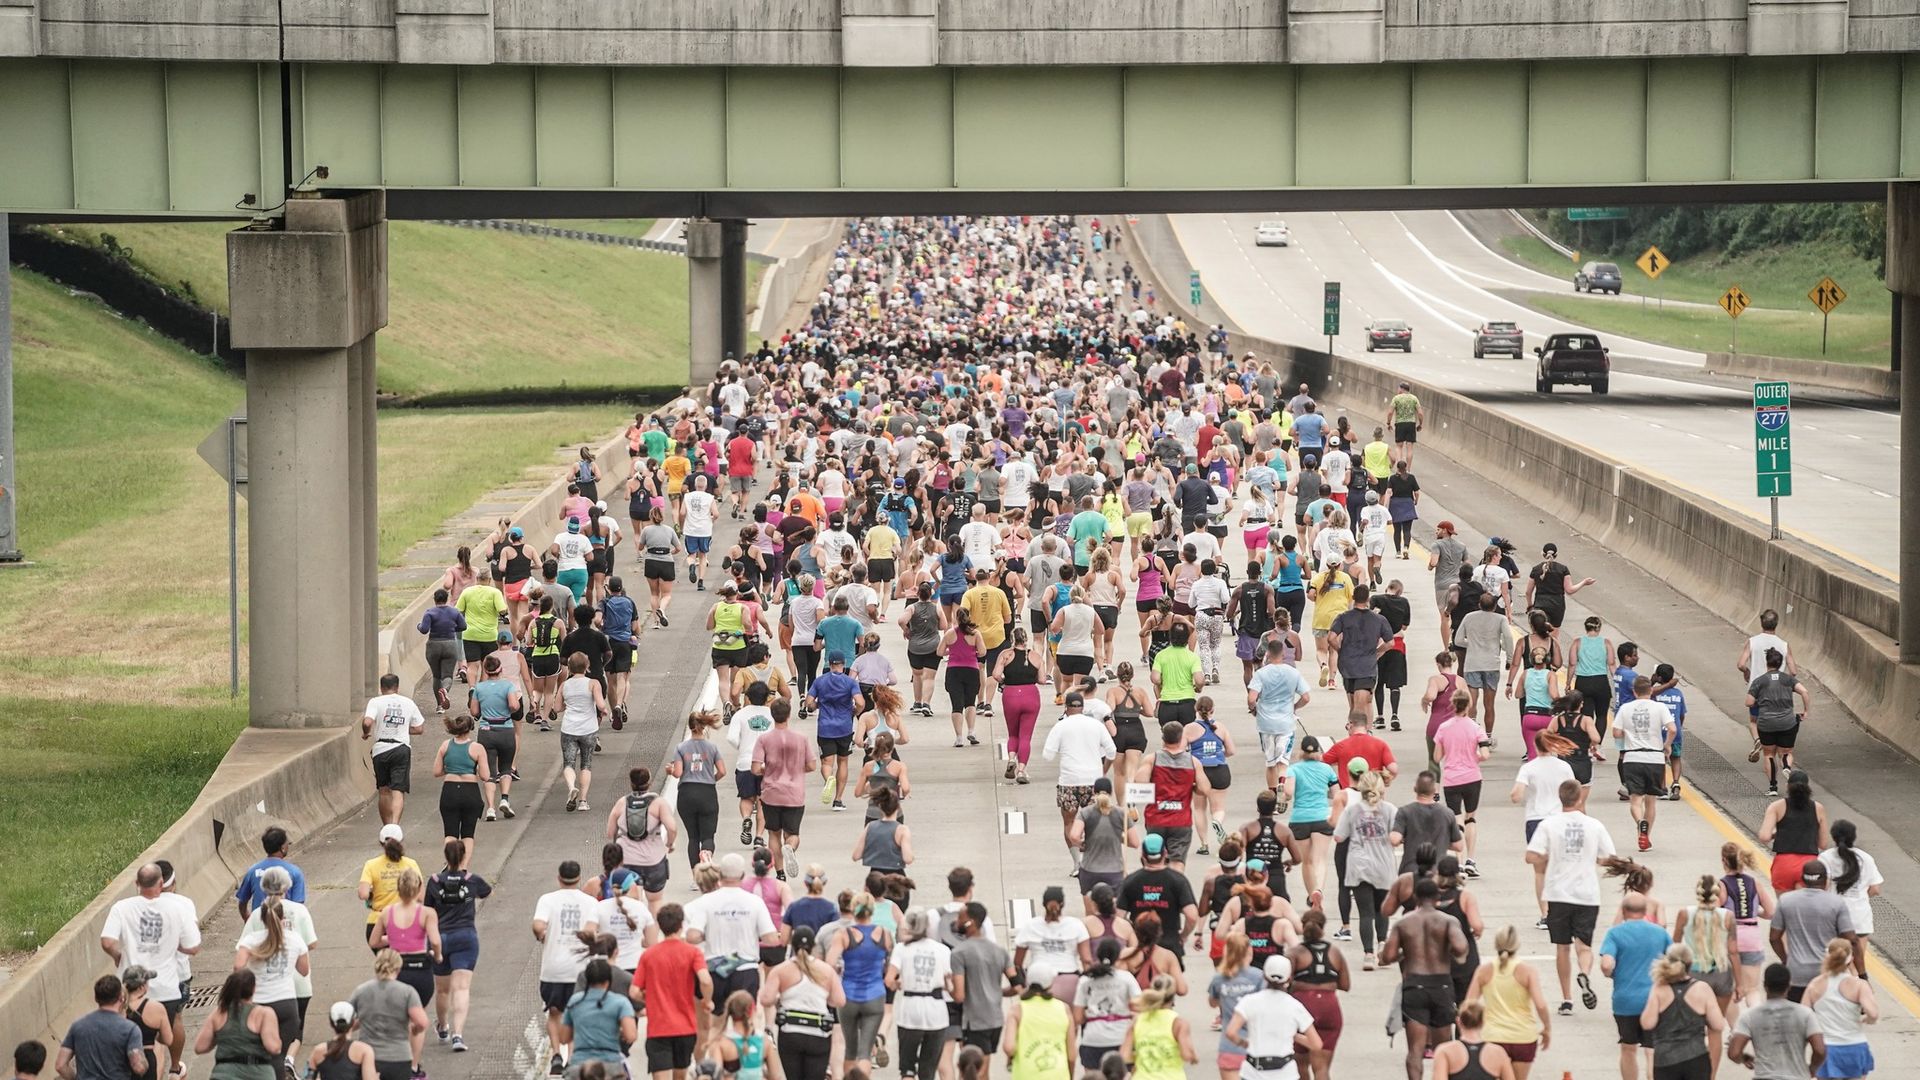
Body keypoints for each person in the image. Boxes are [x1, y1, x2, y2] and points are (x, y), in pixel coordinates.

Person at [1526, 779, 1615, 1016]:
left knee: (1562, 948)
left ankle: (1567, 1000)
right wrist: (1594, 859)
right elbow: (1608, 858)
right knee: (1584, 947)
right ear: (1580, 798)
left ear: (1560, 798)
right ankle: (1584, 974)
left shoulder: (1548, 825)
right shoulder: (1594, 825)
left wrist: (1549, 857)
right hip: (1586, 894)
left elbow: (1531, 856)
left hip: (1557, 893)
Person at [1381, 878, 1470, 1080]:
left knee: (1415, 1051)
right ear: (1437, 897)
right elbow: (1462, 948)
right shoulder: (1448, 921)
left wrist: (1406, 952)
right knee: (1443, 1048)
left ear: (1415, 898)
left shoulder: (1404, 923)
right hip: (1441, 985)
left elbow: (1387, 956)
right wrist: (1445, 949)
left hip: (1414, 986)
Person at [531, 862, 600, 1076]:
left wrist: (542, 936)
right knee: (577, 1013)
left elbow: (538, 925)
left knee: (554, 1013)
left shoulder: (547, 899)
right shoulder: (590, 902)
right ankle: (571, 1056)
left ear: (558, 878)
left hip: (553, 967)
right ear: (579, 878)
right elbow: (590, 931)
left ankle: (555, 1056)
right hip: (579, 969)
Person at [424, 840, 491, 1051]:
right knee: (461, 987)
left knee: (442, 990)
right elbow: (487, 892)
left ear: (445, 857)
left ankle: (442, 1026)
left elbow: (428, 909)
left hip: (441, 938)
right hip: (465, 936)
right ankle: (458, 1035)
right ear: (463, 857)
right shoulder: (472, 880)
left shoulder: (434, 881)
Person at [631, 904, 712, 1080]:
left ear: (660, 926)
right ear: (681, 925)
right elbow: (705, 980)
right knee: (680, 1074)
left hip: (658, 1027)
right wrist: (707, 1000)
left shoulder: (649, 955)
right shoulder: (692, 953)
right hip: (685, 1027)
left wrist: (649, 998)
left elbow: (634, 991)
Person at [1598, 892, 1672, 1080]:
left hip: (1625, 1001)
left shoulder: (1615, 933)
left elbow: (1606, 964)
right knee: (1652, 1050)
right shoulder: (1660, 933)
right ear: (1645, 910)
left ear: (1623, 911)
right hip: (1655, 999)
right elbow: (1674, 961)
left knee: (1628, 1048)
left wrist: (1612, 974)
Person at [756, 925, 845, 1080]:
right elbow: (839, 1000)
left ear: (792, 945)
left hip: (791, 1031)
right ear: (813, 946)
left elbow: (766, 999)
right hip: (818, 1032)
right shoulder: (826, 970)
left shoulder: (782, 970)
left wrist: (780, 998)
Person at [1465, 927, 1551, 1080]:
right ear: (1517, 945)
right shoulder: (1527, 971)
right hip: (1523, 1037)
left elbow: (1469, 1004)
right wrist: (1547, 1028)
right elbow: (1541, 1005)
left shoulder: (1484, 970)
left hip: (1492, 1036)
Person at [1331, 769, 1397, 964]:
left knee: (1365, 913)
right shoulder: (1390, 810)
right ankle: (1383, 943)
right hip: (1383, 865)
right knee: (1381, 910)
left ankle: (1368, 954)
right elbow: (1396, 837)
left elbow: (1338, 836)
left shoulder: (1352, 810)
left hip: (1359, 866)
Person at [1771, 861, 1860, 1003]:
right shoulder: (1836, 903)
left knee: (1800, 1019)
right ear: (1826, 880)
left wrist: (1786, 959)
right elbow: (1852, 940)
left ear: (1803, 879)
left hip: (1796, 974)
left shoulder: (1786, 900)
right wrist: (1862, 974)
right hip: (1827, 975)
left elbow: (1774, 938)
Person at [1224, 955, 1321, 1080]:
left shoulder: (1249, 1001)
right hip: (1285, 1072)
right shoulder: (1295, 1006)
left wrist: (1244, 1043)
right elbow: (1316, 1044)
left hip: (1253, 1071)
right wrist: (1294, 1036)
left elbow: (1231, 1032)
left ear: (1264, 975)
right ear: (1289, 978)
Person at [753, 699, 819, 881]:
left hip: (771, 793)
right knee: (793, 834)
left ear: (772, 716)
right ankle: (789, 847)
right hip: (794, 793)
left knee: (773, 833)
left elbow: (755, 768)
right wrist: (797, 768)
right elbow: (812, 765)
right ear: (789, 715)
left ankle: (780, 873)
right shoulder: (801, 739)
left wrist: (768, 769)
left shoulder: (764, 739)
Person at [886, 910, 957, 1080]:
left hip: (910, 1010)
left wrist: (899, 984)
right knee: (929, 1067)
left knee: (907, 1067)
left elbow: (889, 980)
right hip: (936, 1011)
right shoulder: (942, 950)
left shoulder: (902, 949)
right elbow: (950, 985)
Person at [1728, 962, 1826, 1080]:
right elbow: (1820, 1050)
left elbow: (1734, 1053)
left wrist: (1743, 1058)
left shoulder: (1750, 1015)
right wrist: (1812, 1069)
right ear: (1789, 986)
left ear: (1765, 986)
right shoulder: (1805, 1014)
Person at [1612, 675, 1676, 852]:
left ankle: (1640, 823)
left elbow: (1616, 733)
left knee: (1635, 801)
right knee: (1651, 802)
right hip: (1655, 758)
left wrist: (1628, 735)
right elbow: (1672, 729)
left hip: (1632, 758)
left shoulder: (1625, 708)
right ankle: (1646, 837)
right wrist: (1667, 746)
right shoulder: (1660, 707)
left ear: (1634, 692)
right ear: (1650, 690)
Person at [1284, 912, 1348, 1080]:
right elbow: (1345, 985)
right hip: (1329, 1006)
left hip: (1303, 1005)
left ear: (1302, 926)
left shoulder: (1295, 952)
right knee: (1322, 1068)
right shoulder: (1335, 952)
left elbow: (1284, 982)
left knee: (1300, 1064)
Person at [345, 952, 427, 1080]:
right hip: (399, 1057)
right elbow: (421, 1022)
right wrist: (415, 1030)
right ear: (398, 969)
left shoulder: (361, 991)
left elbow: (345, 1019)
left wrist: (363, 1021)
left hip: (368, 1057)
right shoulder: (407, 992)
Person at [362, 674, 427, 826]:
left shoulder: (375, 702)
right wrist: (403, 729)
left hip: (381, 749)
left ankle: (386, 827)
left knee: (383, 789)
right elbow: (419, 728)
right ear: (397, 687)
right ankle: (395, 825)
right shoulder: (408, 703)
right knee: (398, 790)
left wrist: (366, 732)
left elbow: (367, 722)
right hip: (401, 748)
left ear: (381, 687)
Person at [1247, 637, 1311, 791]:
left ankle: (1273, 793)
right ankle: (1282, 782)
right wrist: (1294, 706)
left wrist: (1254, 709)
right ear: (1283, 654)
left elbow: (1251, 698)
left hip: (1265, 723)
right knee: (1283, 761)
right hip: (1286, 723)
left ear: (1267, 654)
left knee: (1270, 762)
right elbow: (1306, 697)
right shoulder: (1293, 673)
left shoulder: (1261, 674)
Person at [1745, 649, 1810, 797]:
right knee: (1786, 752)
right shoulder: (1788, 680)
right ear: (1781, 664)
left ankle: (1773, 787)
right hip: (1787, 722)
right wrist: (1806, 710)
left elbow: (1748, 702)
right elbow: (1804, 692)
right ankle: (1786, 765)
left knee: (1769, 754)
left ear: (1766, 663)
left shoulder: (1759, 681)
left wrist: (1760, 701)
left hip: (1766, 723)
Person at [191, 973, 278, 1080]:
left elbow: (200, 1047)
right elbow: (273, 1047)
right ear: (253, 989)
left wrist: (221, 1037)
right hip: (258, 1073)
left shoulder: (218, 1014)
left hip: (224, 1074)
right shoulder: (263, 1013)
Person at [58, 975, 147, 1080]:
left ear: (96, 998)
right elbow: (138, 1066)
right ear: (121, 998)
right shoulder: (130, 1029)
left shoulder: (78, 1026)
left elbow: (60, 1065)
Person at [1760, 769, 1829, 896]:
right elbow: (1823, 844)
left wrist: (1777, 833)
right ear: (1808, 787)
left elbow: (1764, 836)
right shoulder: (1818, 808)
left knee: (1786, 909)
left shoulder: (1777, 807)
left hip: (1784, 863)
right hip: (1809, 864)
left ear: (1787, 786)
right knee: (1806, 910)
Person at [1002, 961, 1073, 1080]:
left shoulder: (1017, 1010)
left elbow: (1009, 1047)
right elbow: (1071, 1055)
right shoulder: (1064, 1009)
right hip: (1058, 1074)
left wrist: (1011, 1059)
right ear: (1051, 982)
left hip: (1026, 1074)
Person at [1820, 820, 1885, 947]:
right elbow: (1875, 889)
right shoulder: (1866, 858)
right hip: (1860, 918)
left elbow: (1824, 886)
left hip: (1834, 918)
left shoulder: (1825, 857)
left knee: (1838, 961)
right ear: (1853, 837)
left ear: (1833, 837)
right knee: (1858, 960)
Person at [1120, 976, 1196, 1080]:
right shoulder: (1178, 1023)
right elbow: (1186, 1055)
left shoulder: (1137, 1021)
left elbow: (1124, 1056)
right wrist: (1193, 1056)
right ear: (1173, 997)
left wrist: (1139, 1055)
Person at [305, 1003, 375, 1080]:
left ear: (331, 1023)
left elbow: (307, 1077)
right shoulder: (364, 1050)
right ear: (353, 1022)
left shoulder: (318, 1051)